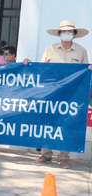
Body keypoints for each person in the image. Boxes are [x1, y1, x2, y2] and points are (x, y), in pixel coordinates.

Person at [23, 20, 91, 169]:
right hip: (52, 93)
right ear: (59, 34)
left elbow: (86, 71)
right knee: (49, 123)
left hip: (71, 94)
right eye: (64, 31)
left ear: (74, 34)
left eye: (69, 31)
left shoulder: (81, 51)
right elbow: (41, 68)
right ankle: (46, 154)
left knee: (66, 124)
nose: (66, 34)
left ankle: (64, 157)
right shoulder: (50, 49)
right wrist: (29, 64)